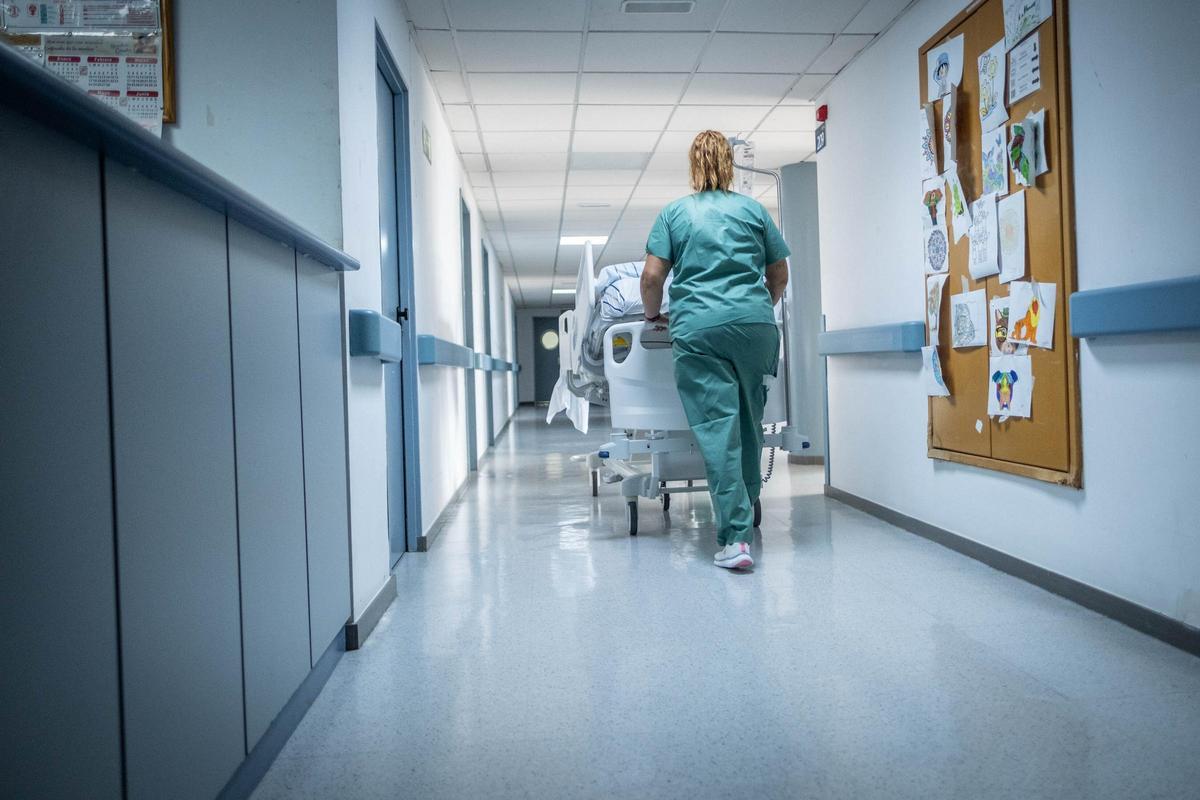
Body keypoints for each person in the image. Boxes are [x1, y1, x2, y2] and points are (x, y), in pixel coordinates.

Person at [641, 130, 790, 571]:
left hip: (700, 329)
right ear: (731, 164)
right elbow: (778, 273)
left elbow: (651, 279)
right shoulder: (753, 210)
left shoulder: (674, 214)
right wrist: (759, 307)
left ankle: (735, 539)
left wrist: (653, 316)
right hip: (755, 328)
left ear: (693, 165)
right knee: (748, 424)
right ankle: (742, 517)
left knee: (718, 428)